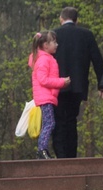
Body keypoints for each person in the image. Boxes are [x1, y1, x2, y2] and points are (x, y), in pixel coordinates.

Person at [52, 6, 103, 158]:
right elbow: (97, 60)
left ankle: (61, 156)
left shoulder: (53, 35)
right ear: (77, 21)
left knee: (58, 120)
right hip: (77, 85)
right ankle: (71, 156)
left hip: (56, 85)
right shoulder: (86, 35)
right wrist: (102, 85)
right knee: (71, 120)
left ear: (61, 18)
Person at [29, 31, 70, 159]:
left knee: (49, 123)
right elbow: (43, 79)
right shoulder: (44, 60)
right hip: (45, 97)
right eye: (54, 42)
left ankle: (42, 149)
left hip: (47, 97)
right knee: (49, 123)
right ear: (46, 45)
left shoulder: (46, 59)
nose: (57, 45)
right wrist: (61, 82)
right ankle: (41, 150)